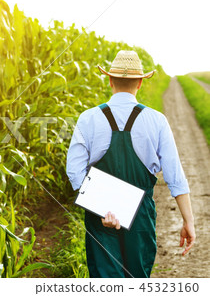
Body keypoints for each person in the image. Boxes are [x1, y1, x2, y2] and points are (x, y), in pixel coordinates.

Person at [66, 50, 196, 278]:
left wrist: (102, 206)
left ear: (109, 80)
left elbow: (75, 171)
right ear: (140, 83)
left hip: (100, 218)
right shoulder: (157, 121)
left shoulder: (88, 118)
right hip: (141, 216)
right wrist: (188, 220)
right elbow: (175, 176)